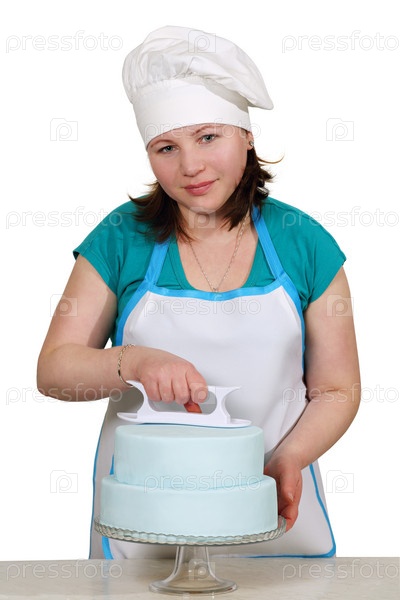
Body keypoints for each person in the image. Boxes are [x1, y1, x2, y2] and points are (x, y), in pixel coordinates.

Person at [37, 26, 360, 559]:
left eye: (209, 137)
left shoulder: (304, 242)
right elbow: (54, 371)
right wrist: (134, 361)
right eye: (166, 147)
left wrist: (288, 460)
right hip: (142, 536)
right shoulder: (120, 238)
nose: (190, 166)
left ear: (247, 136)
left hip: (275, 519)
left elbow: (336, 389)